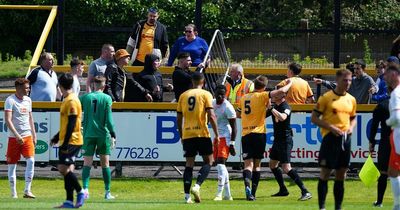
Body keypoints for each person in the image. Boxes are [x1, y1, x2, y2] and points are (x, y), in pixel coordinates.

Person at [237, 75, 292, 201]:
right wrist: (290, 83)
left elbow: (238, 114)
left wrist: (249, 115)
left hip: (245, 134)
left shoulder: (244, 97)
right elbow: (282, 91)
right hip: (258, 134)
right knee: (257, 166)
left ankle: (247, 189)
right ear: (265, 87)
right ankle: (253, 194)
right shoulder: (263, 96)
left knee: (247, 165)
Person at [311, 69, 357, 210]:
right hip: (330, 139)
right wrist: (331, 127)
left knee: (341, 174)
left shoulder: (351, 99)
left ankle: (338, 207)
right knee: (325, 172)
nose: (348, 83)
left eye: (350, 80)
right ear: (337, 80)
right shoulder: (326, 98)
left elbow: (353, 117)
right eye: (345, 80)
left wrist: (351, 128)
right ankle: (322, 207)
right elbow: (314, 118)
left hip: (345, 139)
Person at [177, 72, 219, 204]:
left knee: (189, 164)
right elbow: (211, 115)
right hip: (202, 133)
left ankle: (186, 196)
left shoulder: (183, 96)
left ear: (192, 82)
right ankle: (197, 186)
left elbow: (179, 118)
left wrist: (181, 134)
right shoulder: (206, 94)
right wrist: (217, 135)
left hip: (188, 134)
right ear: (203, 82)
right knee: (209, 161)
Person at [267, 87, 312, 201]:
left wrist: (271, 109)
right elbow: (262, 115)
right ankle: (283, 189)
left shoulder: (286, 107)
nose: (273, 95)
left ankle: (305, 191)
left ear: (282, 96)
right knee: (272, 165)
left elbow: (283, 117)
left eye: (276, 94)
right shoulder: (275, 106)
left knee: (286, 168)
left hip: (285, 141)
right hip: (277, 140)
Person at [50, 73, 85, 208]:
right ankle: (69, 201)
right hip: (67, 139)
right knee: (67, 169)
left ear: (60, 86)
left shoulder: (71, 100)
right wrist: (57, 137)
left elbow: (72, 122)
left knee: (62, 168)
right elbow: (67, 123)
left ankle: (80, 191)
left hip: (72, 140)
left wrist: (64, 143)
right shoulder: (67, 99)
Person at [80, 75, 116, 200]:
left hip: (88, 134)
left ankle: (85, 190)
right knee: (105, 164)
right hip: (102, 134)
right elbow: (109, 119)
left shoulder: (85, 97)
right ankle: (107, 192)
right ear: (104, 86)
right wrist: (112, 133)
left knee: (87, 163)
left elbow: (76, 111)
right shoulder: (107, 98)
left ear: (93, 85)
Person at [5, 78, 37, 199]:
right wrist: (17, 135)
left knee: (31, 161)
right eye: (26, 88)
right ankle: (14, 194)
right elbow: (8, 120)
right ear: (18, 88)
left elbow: (30, 118)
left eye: (28, 87)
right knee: (12, 165)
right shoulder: (10, 100)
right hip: (14, 138)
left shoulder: (28, 100)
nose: (28, 90)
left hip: (27, 135)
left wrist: (34, 134)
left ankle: (27, 190)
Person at [212, 85, 237, 201]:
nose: (220, 96)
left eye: (223, 94)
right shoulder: (212, 103)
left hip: (226, 137)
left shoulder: (228, 107)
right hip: (217, 136)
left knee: (221, 164)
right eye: (218, 93)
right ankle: (228, 195)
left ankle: (219, 193)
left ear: (226, 94)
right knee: (219, 165)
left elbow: (234, 127)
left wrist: (232, 143)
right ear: (215, 93)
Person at [383, 65, 400, 210]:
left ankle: (398, 205)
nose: (384, 78)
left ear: (394, 74)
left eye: (386, 75)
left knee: (393, 173)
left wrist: (388, 122)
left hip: (399, 136)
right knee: (392, 171)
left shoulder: (396, 93)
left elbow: (397, 118)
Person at [369, 98, 391, 207]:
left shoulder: (382, 105)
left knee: (383, 173)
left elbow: (374, 125)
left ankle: (379, 201)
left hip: (386, 142)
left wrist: (372, 141)